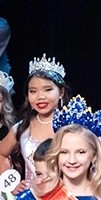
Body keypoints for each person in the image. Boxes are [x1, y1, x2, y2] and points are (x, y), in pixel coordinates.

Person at [0, 55, 65, 188]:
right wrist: (13, 185)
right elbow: (1, 154)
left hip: (66, 198)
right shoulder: (22, 128)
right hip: (31, 199)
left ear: (61, 92)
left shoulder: (73, 126)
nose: (40, 96)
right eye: (33, 91)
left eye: (48, 89)